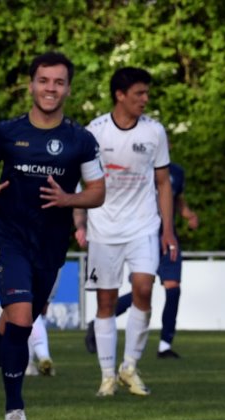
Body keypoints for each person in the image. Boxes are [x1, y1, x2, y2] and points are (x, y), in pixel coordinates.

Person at [0, 52, 105, 420]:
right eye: (43, 80)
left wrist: (69, 200)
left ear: (68, 88)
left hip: (50, 246)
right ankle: (14, 410)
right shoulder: (6, 132)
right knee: (19, 318)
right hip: (8, 238)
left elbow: (98, 191)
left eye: (58, 82)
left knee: (11, 327)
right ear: (31, 84)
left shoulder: (81, 140)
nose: (50, 88)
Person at [78, 67, 177, 398]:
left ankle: (129, 367)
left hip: (144, 225)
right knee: (105, 301)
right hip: (103, 229)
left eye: (146, 93)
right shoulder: (94, 132)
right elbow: (83, 183)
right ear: (120, 95)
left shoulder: (154, 132)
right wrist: (79, 223)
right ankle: (107, 375)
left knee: (144, 289)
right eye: (139, 93)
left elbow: (163, 183)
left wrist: (168, 230)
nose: (145, 100)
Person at [88, 161, 197, 359]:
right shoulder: (137, 166)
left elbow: (177, 198)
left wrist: (187, 214)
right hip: (143, 235)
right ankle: (100, 322)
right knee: (142, 290)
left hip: (167, 237)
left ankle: (165, 345)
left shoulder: (177, 172)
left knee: (173, 289)